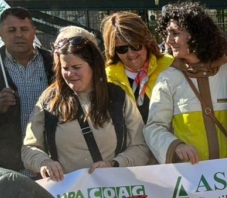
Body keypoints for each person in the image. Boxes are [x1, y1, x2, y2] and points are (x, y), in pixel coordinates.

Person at [22, 35, 152, 180]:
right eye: (65, 68)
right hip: (66, 195)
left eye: (77, 67)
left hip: (113, 192)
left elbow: (141, 147)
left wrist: (114, 164)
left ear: (94, 66)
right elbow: (29, 149)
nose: (70, 74)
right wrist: (43, 162)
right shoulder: (49, 100)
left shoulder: (117, 97)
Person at [145, 2, 227, 164]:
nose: (168, 41)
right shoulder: (167, 78)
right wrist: (176, 146)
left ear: (197, 34)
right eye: (167, 34)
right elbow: (154, 127)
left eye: (175, 33)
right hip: (191, 180)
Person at [0, 7, 54, 172]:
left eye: (24, 29)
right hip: (10, 165)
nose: (19, 35)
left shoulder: (53, 63)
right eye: (12, 30)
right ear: (0, 34)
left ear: (34, 32)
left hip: (50, 163)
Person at [102, 12, 174, 121]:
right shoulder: (107, 78)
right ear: (113, 51)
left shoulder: (170, 66)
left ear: (147, 42)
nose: (131, 54)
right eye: (122, 49)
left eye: (136, 46)